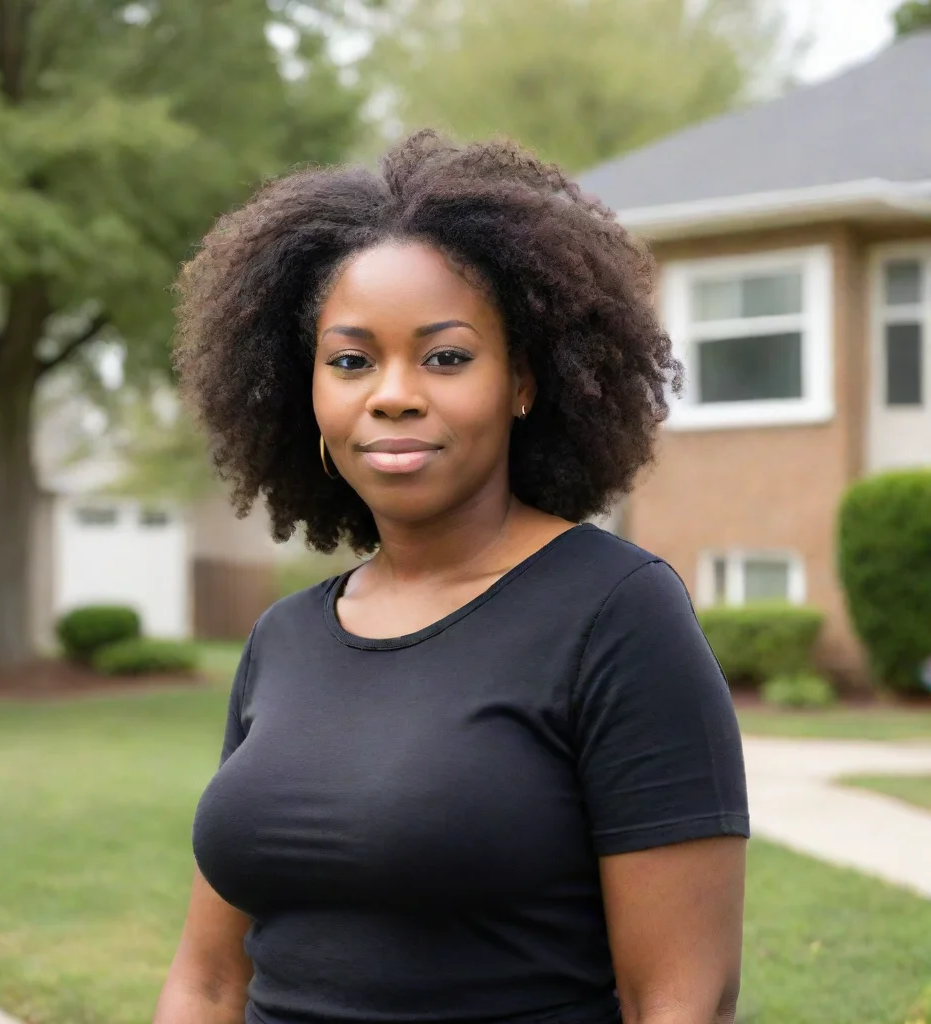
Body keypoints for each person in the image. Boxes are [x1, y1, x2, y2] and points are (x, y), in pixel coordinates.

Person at [153, 130, 749, 1024]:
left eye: (445, 356)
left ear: (522, 383)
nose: (393, 393)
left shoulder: (616, 613)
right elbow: (206, 982)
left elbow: (677, 999)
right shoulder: (285, 639)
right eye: (351, 360)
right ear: (303, 391)